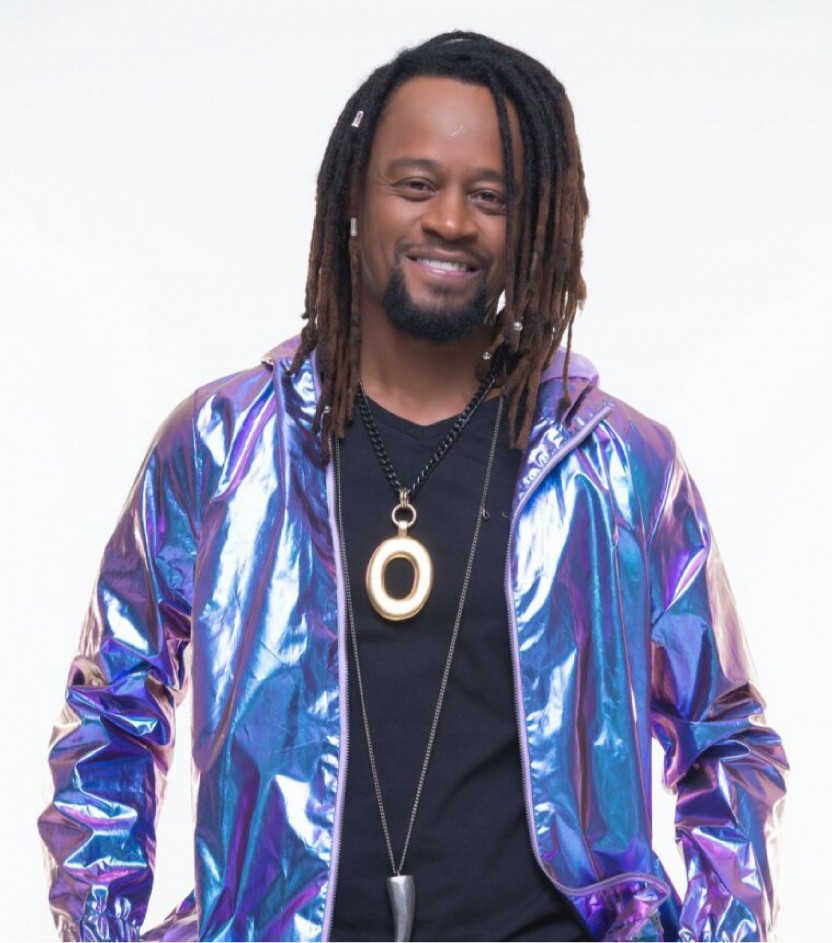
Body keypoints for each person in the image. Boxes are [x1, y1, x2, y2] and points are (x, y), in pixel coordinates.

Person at [38, 30, 788, 943]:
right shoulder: (221, 445)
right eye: (417, 183)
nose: (452, 222)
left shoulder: (623, 466)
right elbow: (111, 713)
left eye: (491, 196)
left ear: (534, 225)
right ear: (355, 198)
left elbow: (726, 737)